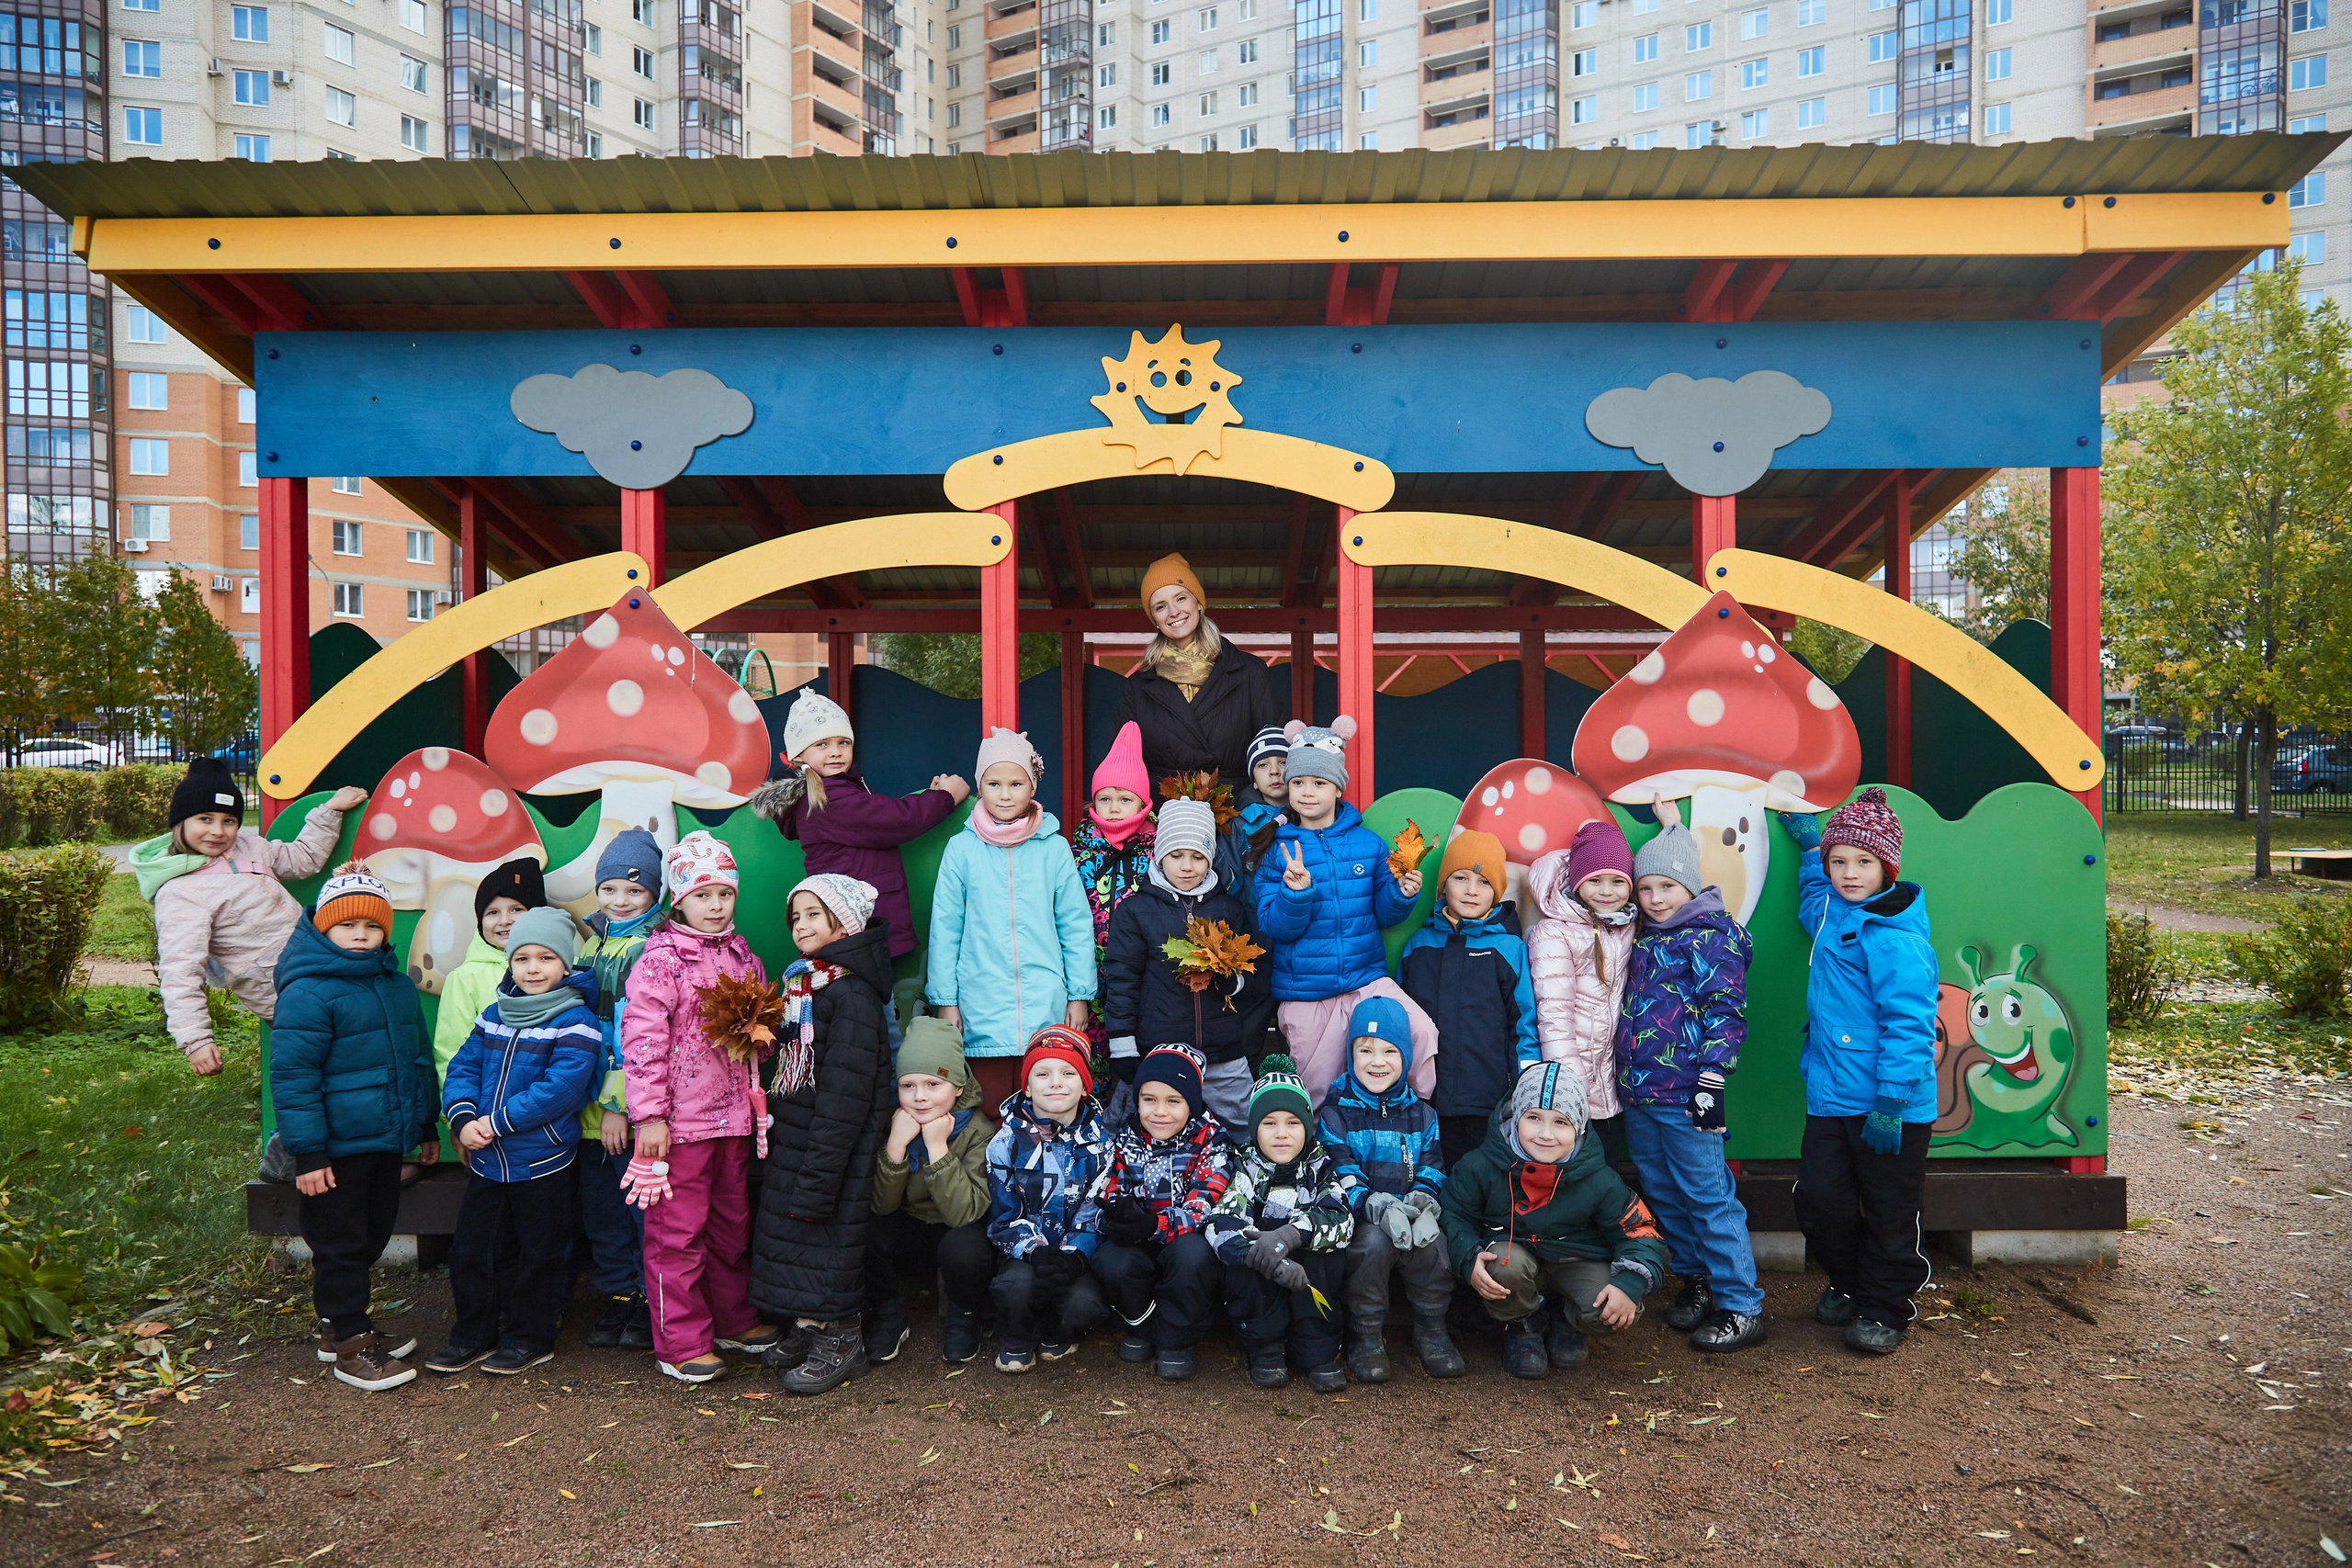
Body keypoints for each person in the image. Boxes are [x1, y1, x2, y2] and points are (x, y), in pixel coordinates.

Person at [266, 865, 438, 1392]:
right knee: (340, 1244)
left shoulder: (393, 985)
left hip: (384, 1140)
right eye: (347, 925)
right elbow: (294, 1078)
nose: (361, 935)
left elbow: (417, 1059)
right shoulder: (309, 993)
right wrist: (309, 1154)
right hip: (334, 1149)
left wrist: (425, 1124)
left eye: (372, 926)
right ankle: (349, 1345)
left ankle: (339, 1324)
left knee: (371, 1234)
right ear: (324, 928)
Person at [620, 830, 783, 1383]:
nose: (715, 907)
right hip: (680, 1125)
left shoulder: (744, 957)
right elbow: (643, 1042)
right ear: (679, 899)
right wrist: (650, 1118)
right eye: (702, 895)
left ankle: (732, 1318)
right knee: (677, 1231)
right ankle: (681, 1340)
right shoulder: (661, 961)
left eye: (725, 895)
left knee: (730, 1224)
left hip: (733, 1118)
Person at [1782, 789, 1939, 1357]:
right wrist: (1808, 849)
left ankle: (1885, 1306)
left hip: (1888, 1104)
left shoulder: (1896, 937)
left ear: (1886, 868)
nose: (1849, 874)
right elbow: (1812, 900)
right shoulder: (1831, 909)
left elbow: (1912, 1023)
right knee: (1820, 1202)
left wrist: (1892, 1101)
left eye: (1863, 863)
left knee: (1890, 1210)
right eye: (1839, 861)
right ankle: (1849, 1281)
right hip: (1831, 1095)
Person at [1614, 819, 1766, 1354]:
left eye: (1667, 887)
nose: (1655, 898)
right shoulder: (1647, 938)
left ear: (1690, 886)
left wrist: (1712, 1077)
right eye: (1646, 888)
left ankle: (1742, 1304)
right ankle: (1696, 1280)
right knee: (1663, 1193)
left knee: (1707, 1195)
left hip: (1689, 1093)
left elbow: (1727, 1014)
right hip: (1641, 1094)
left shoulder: (1709, 938)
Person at [431, 907, 600, 1376]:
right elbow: (463, 1066)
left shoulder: (576, 1022)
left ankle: (530, 1337)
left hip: (542, 1161)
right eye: (522, 958)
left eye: (545, 958)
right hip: (488, 1161)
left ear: (565, 966)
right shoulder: (493, 1016)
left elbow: (560, 1089)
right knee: (474, 1250)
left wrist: (497, 1123)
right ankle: (473, 1333)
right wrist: (463, 1117)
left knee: (539, 1253)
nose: (532, 968)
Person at [750, 874, 898, 1396]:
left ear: (845, 922)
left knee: (830, 1230)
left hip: (832, 1139)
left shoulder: (850, 993)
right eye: (796, 917)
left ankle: (842, 1335)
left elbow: (847, 1090)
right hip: (800, 1131)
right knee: (799, 1233)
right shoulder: (806, 984)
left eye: (815, 914)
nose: (801, 926)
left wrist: (823, 1159)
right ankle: (808, 1323)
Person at [134, 758, 367, 1077]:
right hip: (281, 993)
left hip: (321, 965)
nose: (218, 831)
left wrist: (329, 811)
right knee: (324, 1068)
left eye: (229, 821)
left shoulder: (249, 848)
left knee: (362, 1051)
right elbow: (180, 970)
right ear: (181, 822)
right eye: (205, 819)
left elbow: (303, 859)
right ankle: (302, 1124)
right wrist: (196, 1039)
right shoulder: (180, 892)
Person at [1439, 1061, 1668, 1380]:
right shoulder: (1482, 1165)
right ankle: (1521, 1326)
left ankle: (1567, 1320)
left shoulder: (1598, 1178)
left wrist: (1629, 1283)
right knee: (1504, 1265)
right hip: (1515, 1260)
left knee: (1611, 1308)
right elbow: (1453, 1211)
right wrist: (1467, 1254)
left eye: (1561, 1123)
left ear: (1579, 1127)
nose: (1545, 1134)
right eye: (1533, 1118)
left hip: (1576, 1261)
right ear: (1515, 1116)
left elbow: (1640, 1231)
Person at [1252, 717, 1439, 1106]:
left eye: (1319, 783)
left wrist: (1402, 894)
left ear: (1337, 787)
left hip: (1366, 981)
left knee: (1422, 1033)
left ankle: (1415, 1118)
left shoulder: (1368, 843)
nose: (1307, 792)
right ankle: (1325, 1164)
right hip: (1307, 994)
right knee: (1316, 1094)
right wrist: (1296, 894)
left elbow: (1385, 915)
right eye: (1298, 782)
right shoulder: (1276, 849)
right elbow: (1274, 926)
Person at [750, 687, 968, 1000]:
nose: (836, 752)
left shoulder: (831, 791)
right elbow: (896, 820)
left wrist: (931, 795)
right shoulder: (829, 800)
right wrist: (946, 797)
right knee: (865, 1005)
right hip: (855, 923)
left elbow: (878, 816)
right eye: (822, 744)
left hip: (850, 921)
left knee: (865, 1004)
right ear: (799, 756)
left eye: (843, 742)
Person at [927, 728, 1097, 1111]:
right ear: (979, 785)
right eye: (994, 783)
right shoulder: (962, 848)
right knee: (986, 1115)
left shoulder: (1054, 847)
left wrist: (1079, 994)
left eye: (1016, 783)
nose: (1005, 794)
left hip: (1046, 1006)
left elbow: (1075, 925)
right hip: (978, 1005)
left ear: (1033, 785)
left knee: (1045, 1113)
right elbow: (945, 928)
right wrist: (946, 1001)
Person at [1314, 996, 1462, 1383]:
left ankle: (1431, 1328)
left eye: (1389, 1051)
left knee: (1434, 1245)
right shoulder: (1335, 1114)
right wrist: (1375, 1207)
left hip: (1411, 1214)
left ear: (1406, 1056)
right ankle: (1366, 1333)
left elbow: (1432, 1165)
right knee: (1372, 1247)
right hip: (1365, 1218)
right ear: (1351, 1055)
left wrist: (1423, 1201)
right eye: (1365, 1050)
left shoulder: (1423, 1114)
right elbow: (1340, 1172)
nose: (1377, 1062)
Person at [1099, 797, 1262, 1124]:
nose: (1187, 866)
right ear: (1160, 856)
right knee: (1140, 1126)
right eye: (1177, 856)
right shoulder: (1136, 911)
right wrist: (1123, 1046)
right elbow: (1122, 980)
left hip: (1221, 1053)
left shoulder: (1228, 909)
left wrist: (1233, 981)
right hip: (1159, 1050)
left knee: (1242, 1128)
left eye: (1198, 857)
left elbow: (1250, 972)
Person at [1205, 1055, 1355, 1391]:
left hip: (1306, 1275)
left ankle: (1316, 1348)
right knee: (1242, 1259)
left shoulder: (1319, 1167)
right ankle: (1265, 1346)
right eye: (1269, 1123)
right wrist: (1268, 1256)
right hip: (1265, 1281)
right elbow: (1220, 1224)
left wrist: (1289, 1236)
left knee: (1327, 1252)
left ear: (1307, 1126)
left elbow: (1341, 1217)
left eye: (1293, 1123)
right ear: (1255, 1128)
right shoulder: (1246, 1168)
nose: (1282, 1134)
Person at [1089, 1043, 1231, 1382]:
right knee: (1110, 1258)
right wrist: (1117, 1213)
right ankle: (1139, 1322)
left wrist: (1154, 1224)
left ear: (1192, 1104)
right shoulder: (1124, 1138)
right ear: (1137, 1101)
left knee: (1193, 1256)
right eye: (1149, 1100)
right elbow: (1110, 1186)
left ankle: (1176, 1339)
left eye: (1174, 1101)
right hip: (1140, 1237)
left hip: (1183, 1238)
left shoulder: (1211, 1140)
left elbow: (1204, 1202)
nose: (1160, 1112)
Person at [1400, 829, 1537, 1172]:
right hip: (1428, 1095)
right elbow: (1402, 1021)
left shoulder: (1508, 948)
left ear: (1497, 892)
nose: (1472, 890)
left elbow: (1523, 1024)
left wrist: (1524, 1085)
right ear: (1444, 885)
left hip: (1487, 1095)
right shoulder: (1419, 945)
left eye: (1483, 882)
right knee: (1434, 1175)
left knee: (1485, 1176)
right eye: (1460, 878)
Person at [576, 829, 665, 1350]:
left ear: (655, 893)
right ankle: (618, 1296)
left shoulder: (652, 947)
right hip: (587, 1104)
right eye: (609, 889)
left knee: (639, 1210)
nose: (620, 900)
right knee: (604, 1211)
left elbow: (636, 1037)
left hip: (624, 1107)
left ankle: (651, 1302)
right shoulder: (596, 943)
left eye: (634, 891)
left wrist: (618, 1106)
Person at [868, 1016, 999, 1366]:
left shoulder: (977, 1132)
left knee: (967, 1247)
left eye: (933, 1084)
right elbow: (882, 1206)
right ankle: (889, 1313)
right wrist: (896, 1146)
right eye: (908, 1086)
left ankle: (965, 1315)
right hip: (912, 1224)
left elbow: (964, 1214)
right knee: (867, 1231)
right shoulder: (896, 1122)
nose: (920, 1097)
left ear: (957, 1086)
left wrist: (938, 1149)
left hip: (957, 1228)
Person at [984, 1026, 1114, 1373]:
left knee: (1084, 1304)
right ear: (1026, 1086)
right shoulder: (1005, 1143)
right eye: (1043, 1073)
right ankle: (1017, 1336)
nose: (1056, 1082)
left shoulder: (1101, 1145)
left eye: (1068, 1073)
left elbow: (1094, 1211)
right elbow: (1003, 1214)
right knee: (1015, 1286)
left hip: (1074, 1256)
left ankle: (1060, 1331)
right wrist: (1035, 1249)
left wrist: (1072, 1257)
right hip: (1025, 1254)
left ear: (1085, 1086)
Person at [1113, 551, 1285, 786]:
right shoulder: (1140, 684)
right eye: (1161, 606)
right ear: (1154, 618)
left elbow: (1275, 749)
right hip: (1165, 811)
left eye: (1181, 598)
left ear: (1198, 603)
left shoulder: (1249, 670)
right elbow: (1123, 760)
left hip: (1236, 808)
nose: (1174, 611)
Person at [1525, 818, 1639, 1172]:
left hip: (1612, 1089)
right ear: (1576, 883)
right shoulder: (1555, 933)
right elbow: (1554, 1018)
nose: (1607, 891)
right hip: (1575, 1091)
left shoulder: (1625, 924)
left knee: (1606, 1175)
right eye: (1595, 881)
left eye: (1618, 881)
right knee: (1577, 1174)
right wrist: (1572, 1094)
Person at [1069, 721, 1159, 1092]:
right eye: (1105, 799)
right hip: (1089, 974)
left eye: (1125, 800)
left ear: (1143, 802)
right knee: (1092, 1060)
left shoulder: (1158, 852)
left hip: (1143, 975)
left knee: (1139, 1056)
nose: (1115, 808)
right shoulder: (1075, 853)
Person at [430, 856, 547, 1083]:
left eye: (516, 909)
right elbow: (451, 1050)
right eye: (493, 912)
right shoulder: (466, 977)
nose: (504, 921)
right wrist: (458, 1110)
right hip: (486, 1103)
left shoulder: (558, 968)